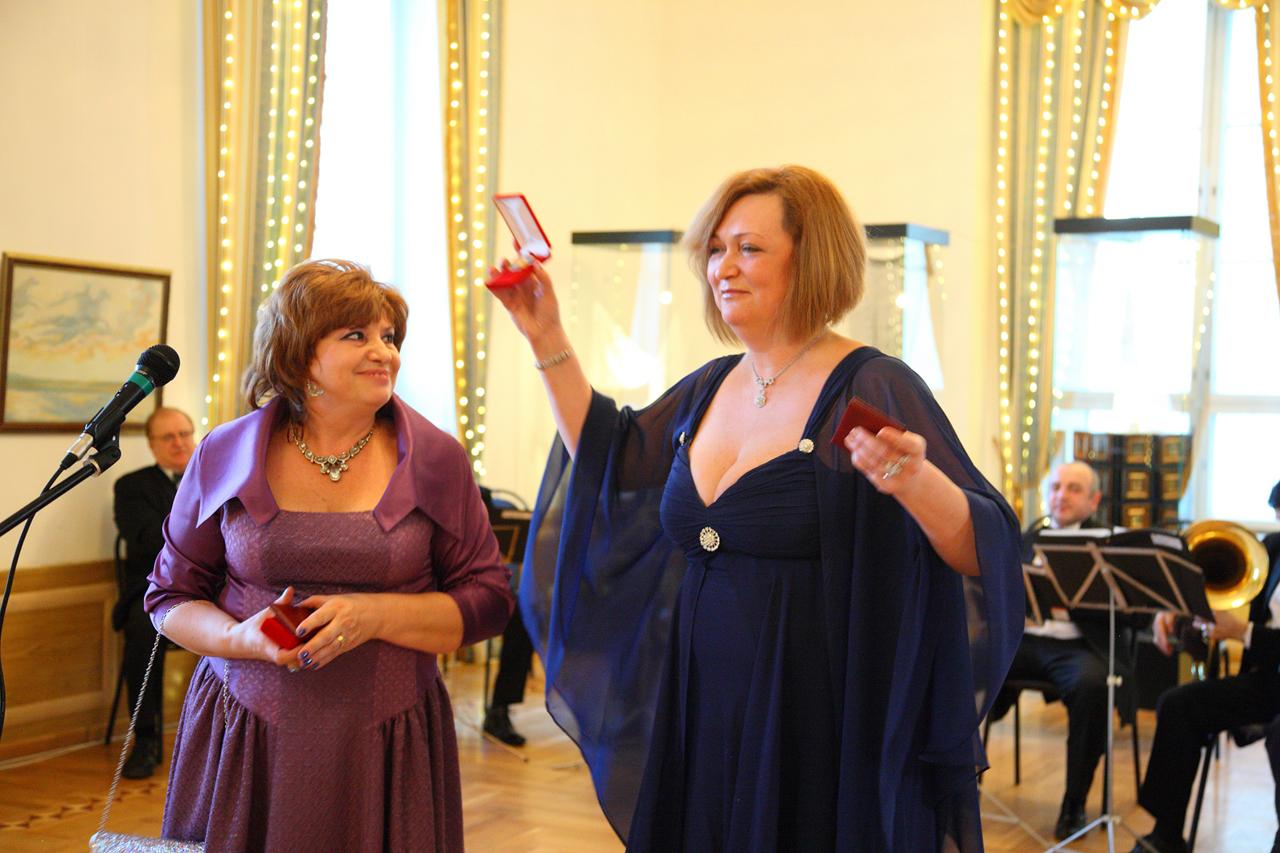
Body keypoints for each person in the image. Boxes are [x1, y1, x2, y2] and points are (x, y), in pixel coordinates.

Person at [494, 166, 1023, 851]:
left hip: (814, 720)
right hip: (701, 704)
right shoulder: (713, 384)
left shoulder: (871, 382)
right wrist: (545, 335)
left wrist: (916, 480)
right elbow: (610, 456)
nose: (723, 267)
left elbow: (985, 547)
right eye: (716, 249)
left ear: (811, 258)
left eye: (749, 248)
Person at [143, 259, 514, 851]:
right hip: (245, 736)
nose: (384, 352)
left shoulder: (437, 459)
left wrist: (373, 616)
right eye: (356, 335)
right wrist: (240, 638)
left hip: (387, 740)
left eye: (388, 336)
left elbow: (489, 602)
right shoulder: (222, 452)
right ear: (298, 354)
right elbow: (169, 597)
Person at [1130, 480, 1280, 853]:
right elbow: (1214, 592)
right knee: (1178, 705)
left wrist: (1244, 633)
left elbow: (1244, 629)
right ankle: (1166, 835)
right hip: (1269, 679)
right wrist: (1178, 612)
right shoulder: (1274, 548)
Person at [993, 460, 1128, 839]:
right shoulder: (1028, 538)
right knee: (962, 662)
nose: (1060, 496)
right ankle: (953, 782)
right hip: (1027, 643)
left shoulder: (1110, 545)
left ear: (1094, 500)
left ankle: (1074, 803)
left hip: (1080, 648)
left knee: (1092, 686)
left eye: (1073, 489)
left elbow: (1130, 616)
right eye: (1055, 487)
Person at [111, 406, 196, 779]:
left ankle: (229, 735)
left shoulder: (213, 476)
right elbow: (146, 541)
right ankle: (146, 739)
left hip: (210, 589)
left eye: (184, 434)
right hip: (154, 590)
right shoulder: (132, 486)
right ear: (152, 445)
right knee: (143, 630)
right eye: (168, 437)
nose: (179, 443)